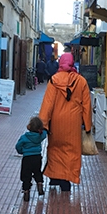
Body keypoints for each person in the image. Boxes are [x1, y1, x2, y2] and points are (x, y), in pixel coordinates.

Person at [39, 52, 92, 192]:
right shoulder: (81, 81)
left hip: (56, 123)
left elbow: (47, 104)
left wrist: (42, 124)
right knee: (71, 152)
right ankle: (67, 180)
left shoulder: (54, 80)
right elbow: (87, 106)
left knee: (55, 149)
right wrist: (87, 125)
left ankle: (55, 178)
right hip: (73, 124)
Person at [15, 116, 47, 202]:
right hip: (37, 157)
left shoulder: (25, 137)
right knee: (37, 172)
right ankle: (39, 184)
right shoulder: (40, 136)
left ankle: (26, 191)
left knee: (26, 175)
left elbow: (18, 146)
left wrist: (22, 151)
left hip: (27, 158)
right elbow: (44, 133)